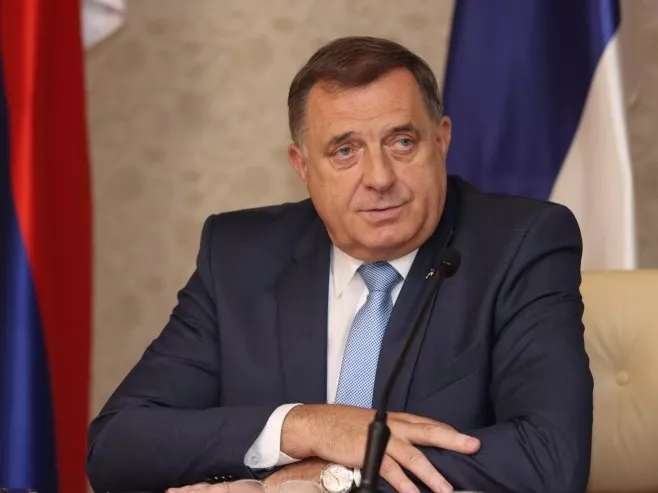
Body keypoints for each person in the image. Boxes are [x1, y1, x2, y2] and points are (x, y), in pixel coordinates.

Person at [86, 36, 593, 493]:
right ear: (302, 166)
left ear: (441, 140)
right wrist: (303, 428)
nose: (379, 177)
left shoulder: (520, 244)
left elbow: (550, 458)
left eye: (402, 142)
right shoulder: (239, 256)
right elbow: (117, 446)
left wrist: (329, 478)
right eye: (345, 151)